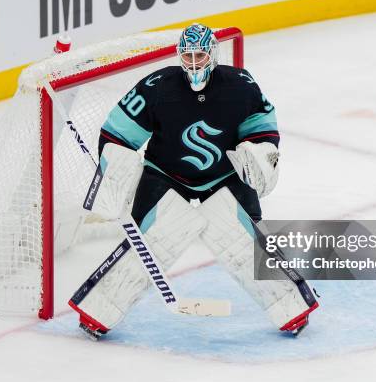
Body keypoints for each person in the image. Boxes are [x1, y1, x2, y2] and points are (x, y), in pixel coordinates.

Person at [68, 23, 318, 340]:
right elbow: (117, 132)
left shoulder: (240, 85)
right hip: (164, 174)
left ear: (212, 53)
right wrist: (115, 166)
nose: (194, 63)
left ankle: (293, 309)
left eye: (200, 55)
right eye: (188, 56)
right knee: (148, 244)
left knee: (244, 243)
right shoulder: (157, 85)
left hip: (224, 175)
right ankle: (96, 314)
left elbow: (263, 126)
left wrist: (259, 151)